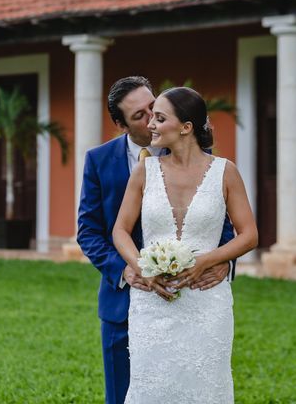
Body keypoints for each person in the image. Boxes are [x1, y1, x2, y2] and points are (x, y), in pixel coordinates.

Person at [77, 77, 236, 404]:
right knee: (127, 395)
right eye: (140, 115)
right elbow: (90, 231)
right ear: (121, 124)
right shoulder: (99, 161)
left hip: (196, 297)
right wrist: (128, 271)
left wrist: (224, 260)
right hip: (126, 301)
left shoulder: (200, 156)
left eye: (154, 107)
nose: (151, 118)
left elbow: (216, 218)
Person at [112, 86, 258, 403]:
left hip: (206, 300)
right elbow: (120, 230)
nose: (150, 124)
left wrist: (208, 260)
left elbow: (249, 234)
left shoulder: (225, 172)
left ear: (186, 127)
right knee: (151, 387)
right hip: (152, 301)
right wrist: (141, 268)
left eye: (160, 118)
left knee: (206, 386)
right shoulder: (144, 170)